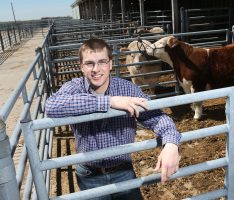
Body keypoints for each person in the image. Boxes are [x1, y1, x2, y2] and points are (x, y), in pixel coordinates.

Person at [45, 38, 181, 200]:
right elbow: (52, 106)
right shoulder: (75, 87)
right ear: (81, 67)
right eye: (89, 63)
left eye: (102, 62)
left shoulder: (127, 88)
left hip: (123, 171)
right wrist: (110, 101)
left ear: (110, 64)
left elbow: (157, 117)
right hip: (89, 174)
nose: (96, 69)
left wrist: (171, 144)